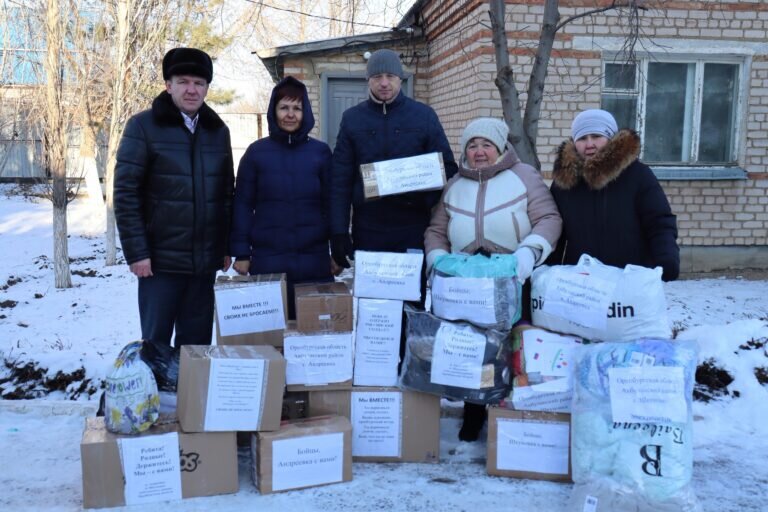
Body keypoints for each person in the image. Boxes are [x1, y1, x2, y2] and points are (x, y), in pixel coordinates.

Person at [424, 117, 562, 442]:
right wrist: (437, 260)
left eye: (486, 144)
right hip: (468, 282)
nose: (479, 151)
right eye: (472, 145)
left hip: (512, 277)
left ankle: (513, 417)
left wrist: (528, 253)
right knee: (476, 348)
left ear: (500, 148)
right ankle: (474, 412)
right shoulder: (455, 184)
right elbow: (437, 230)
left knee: (514, 346)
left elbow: (548, 218)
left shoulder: (524, 175)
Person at [114, 47, 234, 386]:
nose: (192, 89)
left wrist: (224, 246)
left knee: (195, 350)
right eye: (183, 81)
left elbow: (226, 193)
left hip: (203, 264)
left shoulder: (218, 131)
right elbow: (125, 193)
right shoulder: (143, 127)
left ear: (207, 87)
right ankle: (156, 408)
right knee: (155, 348)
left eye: (199, 82)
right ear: (168, 85)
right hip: (159, 265)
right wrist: (137, 252)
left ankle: (190, 409)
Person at [329, 48, 458, 267]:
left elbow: (447, 167)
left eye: (390, 76)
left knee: (411, 289)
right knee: (372, 289)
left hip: (413, 227)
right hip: (368, 228)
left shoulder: (423, 116)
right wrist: (339, 231)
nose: (384, 83)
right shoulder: (352, 119)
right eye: (377, 77)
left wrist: (421, 200)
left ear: (400, 78)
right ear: (368, 80)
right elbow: (340, 180)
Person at [229, 76, 336, 319]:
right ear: (273, 111)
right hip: (268, 262)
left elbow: (332, 204)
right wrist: (242, 253)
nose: (290, 114)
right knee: (271, 333)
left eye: (297, 108)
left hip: (315, 261)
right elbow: (242, 205)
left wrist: (338, 252)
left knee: (314, 334)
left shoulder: (320, 153)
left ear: (305, 112)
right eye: (284, 107)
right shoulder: (256, 153)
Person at [549, 109, 679, 281]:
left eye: (596, 136)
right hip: (581, 283)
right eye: (582, 138)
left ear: (611, 138)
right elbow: (555, 231)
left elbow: (659, 222)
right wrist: (547, 269)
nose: (589, 144)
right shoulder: (564, 183)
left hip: (630, 279)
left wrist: (666, 258)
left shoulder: (638, 175)